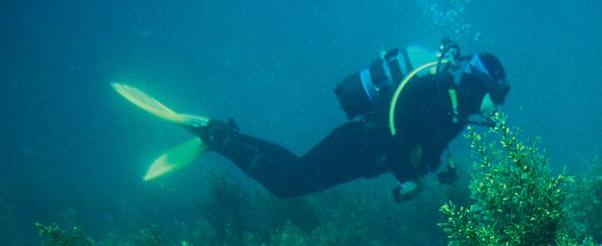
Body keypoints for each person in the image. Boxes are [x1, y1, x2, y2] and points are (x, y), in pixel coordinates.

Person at [190, 43, 509, 201]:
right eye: (498, 94)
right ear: (480, 84)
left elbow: (420, 146)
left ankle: (229, 136)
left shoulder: (454, 114)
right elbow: (396, 137)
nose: (499, 104)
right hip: (357, 145)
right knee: (287, 184)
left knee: (293, 172)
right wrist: (408, 179)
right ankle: (221, 139)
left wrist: (436, 170)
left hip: (361, 155)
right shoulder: (439, 94)